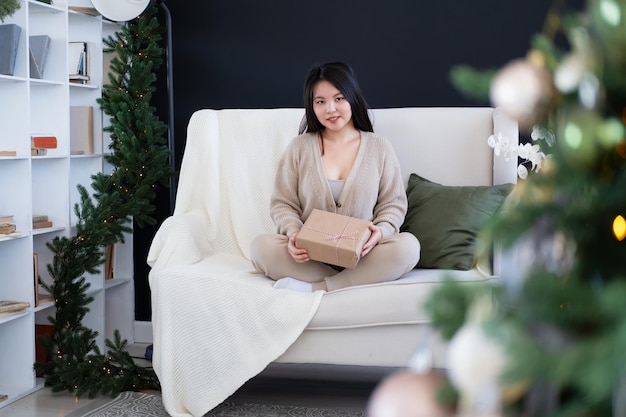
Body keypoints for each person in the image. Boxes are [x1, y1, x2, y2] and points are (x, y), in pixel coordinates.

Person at [250, 61, 420, 292]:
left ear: (352, 98)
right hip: (311, 256)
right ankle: (350, 282)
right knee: (261, 247)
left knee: (408, 248)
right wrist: (293, 233)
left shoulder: (379, 147)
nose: (330, 109)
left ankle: (320, 288)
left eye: (339, 98)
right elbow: (283, 204)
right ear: (312, 106)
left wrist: (381, 231)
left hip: (363, 255)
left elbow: (393, 204)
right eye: (320, 101)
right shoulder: (299, 147)